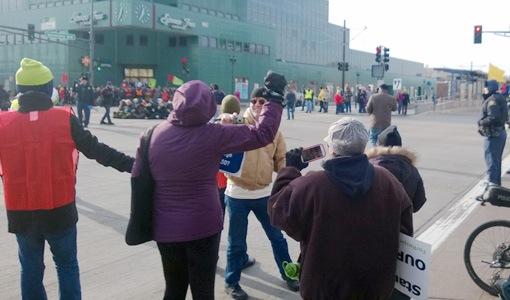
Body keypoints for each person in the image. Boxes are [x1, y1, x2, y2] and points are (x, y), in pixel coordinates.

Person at [131, 71, 286, 300]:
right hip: (203, 227)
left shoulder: (151, 135)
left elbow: (137, 175)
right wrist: (274, 97)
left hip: (165, 228)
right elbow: (262, 134)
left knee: (173, 288)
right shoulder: (214, 135)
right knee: (203, 291)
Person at [0, 58, 134, 300]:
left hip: (21, 210)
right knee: (66, 266)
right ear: (47, 88)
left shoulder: (3, 124)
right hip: (59, 209)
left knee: (30, 270)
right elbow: (98, 151)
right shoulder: (64, 119)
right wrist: (134, 165)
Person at [268, 117, 413, 300]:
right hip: (375, 285)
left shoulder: (311, 184)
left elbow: (278, 212)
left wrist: (290, 170)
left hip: (324, 287)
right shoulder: (387, 180)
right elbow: (405, 230)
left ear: (332, 149)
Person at [223, 87, 299, 300]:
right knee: (236, 243)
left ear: (269, 106)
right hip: (237, 194)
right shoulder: (237, 124)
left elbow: (280, 161)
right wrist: (224, 120)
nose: (257, 105)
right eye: (254, 101)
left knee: (277, 237)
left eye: (262, 101)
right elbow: (218, 134)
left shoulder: (275, 131)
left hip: (264, 194)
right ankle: (232, 282)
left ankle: (288, 274)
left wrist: (291, 166)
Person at [366, 125, 426, 300]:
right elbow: (418, 203)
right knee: (400, 282)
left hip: (370, 235)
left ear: (378, 145)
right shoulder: (412, 170)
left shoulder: (369, 167)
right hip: (402, 237)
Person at [478, 79, 508, 186]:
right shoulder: (499, 98)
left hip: (493, 135)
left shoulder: (492, 100)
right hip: (499, 133)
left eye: (485, 87)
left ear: (489, 88)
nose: (484, 89)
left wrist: (481, 122)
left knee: (491, 164)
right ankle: (496, 189)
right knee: (496, 163)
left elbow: (493, 117)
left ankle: (490, 191)